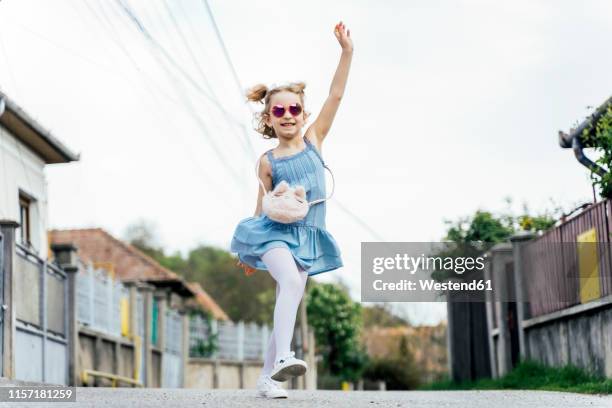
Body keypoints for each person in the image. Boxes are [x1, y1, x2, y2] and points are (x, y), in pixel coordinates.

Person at [230, 21, 353, 399]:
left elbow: (335, 95)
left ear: (303, 113)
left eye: (293, 109)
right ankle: (284, 357)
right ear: (268, 119)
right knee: (290, 282)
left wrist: (346, 52)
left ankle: (268, 377)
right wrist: (250, 249)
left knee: (294, 288)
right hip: (273, 234)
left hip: (307, 235)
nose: (287, 115)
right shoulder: (267, 160)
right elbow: (262, 203)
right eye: (278, 110)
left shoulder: (315, 141)